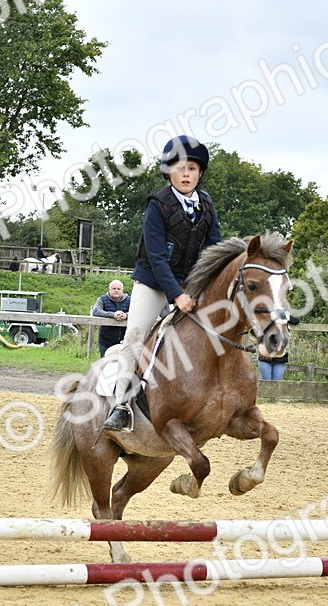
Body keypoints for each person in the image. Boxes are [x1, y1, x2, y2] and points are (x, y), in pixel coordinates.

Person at [104, 135, 222, 431]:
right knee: (135, 335)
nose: (186, 174)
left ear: (200, 174)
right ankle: (120, 405)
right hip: (153, 283)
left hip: (190, 285)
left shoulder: (206, 205)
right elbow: (156, 257)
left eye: (192, 169)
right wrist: (177, 295)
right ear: (169, 172)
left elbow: (215, 249)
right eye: (180, 168)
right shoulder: (158, 204)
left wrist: (205, 288)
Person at [91, 280, 131, 357]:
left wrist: (126, 316)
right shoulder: (102, 299)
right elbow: (96, 311)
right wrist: (113, 315)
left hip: (125, 340)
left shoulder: (129, 300)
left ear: (122, 290)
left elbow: (136, 311)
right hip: (106, 340)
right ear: (109, 289)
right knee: (104, 363)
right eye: (114, 288)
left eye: (118, 289)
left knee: (124, 364)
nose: (116, 290)